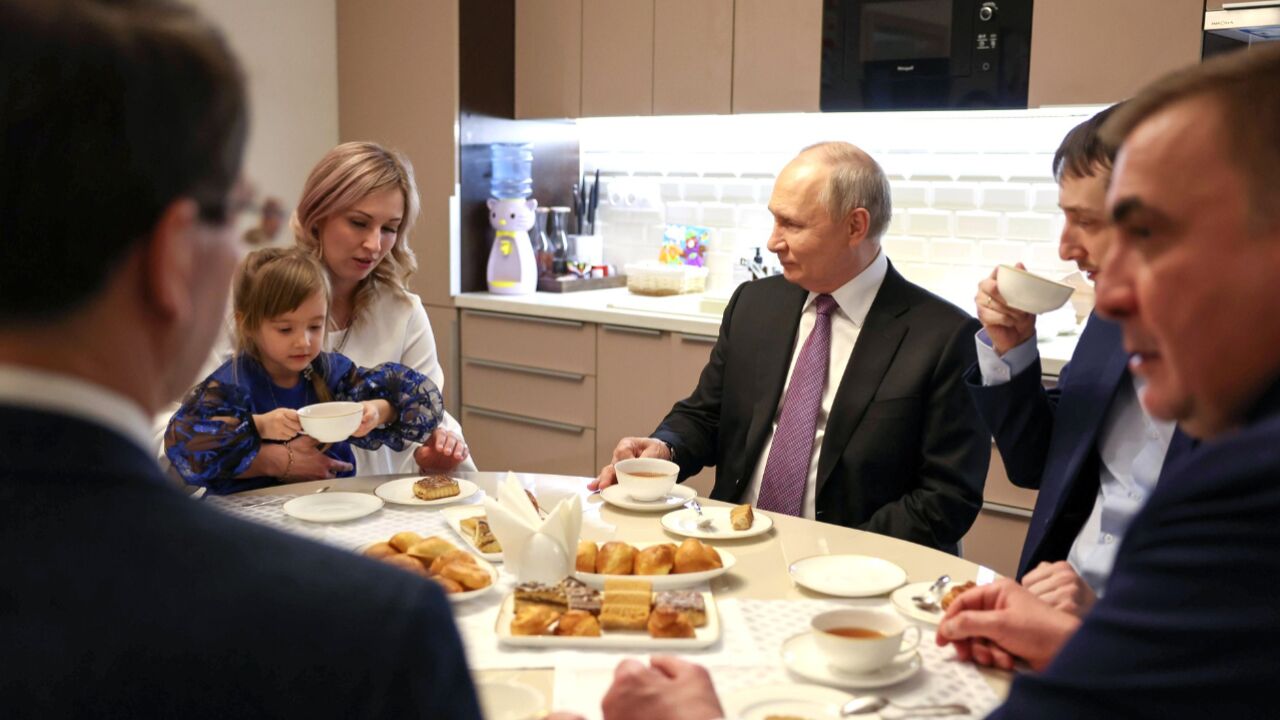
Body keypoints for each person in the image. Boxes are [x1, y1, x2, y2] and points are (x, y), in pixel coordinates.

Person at [0, 1, 480, 716]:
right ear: (173, 256)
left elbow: (422, 411)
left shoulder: (397, 321)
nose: (375, 242)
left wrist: (418, 431)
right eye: (233, 213)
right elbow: (181, 444)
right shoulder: (378, 632)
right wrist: (261, 448)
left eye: (390, 227)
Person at [936, 43, 1280, 716]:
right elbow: (1042, 462)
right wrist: (1012, 354)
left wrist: (1094, 631)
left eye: (1147, 235)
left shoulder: (1252, 480)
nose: (1114, 294)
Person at [593, 142, 989, 553]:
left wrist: (831, 551)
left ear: (855, 227)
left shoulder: (945, 337)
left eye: (792, 225)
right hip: (732, 545)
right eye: (774, 221)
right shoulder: (754, 304)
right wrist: (665, 447)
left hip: (859, 569)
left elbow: (947, 498)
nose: (772, 242)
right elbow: (708, 413)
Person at [966, 105, 1194, 615]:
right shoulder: (1111, 320)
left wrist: (1103, 613)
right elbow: (1038, 464)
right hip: (1055, 616)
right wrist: (1012, 347)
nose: (1066, 248)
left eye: (1085, 221)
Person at [184, 141, 473, 479]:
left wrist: (432, 458)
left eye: (389, 228)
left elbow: (427, 419)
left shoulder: (403, 312)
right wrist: (274, 459)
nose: (374, 245)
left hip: (370, 510)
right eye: (359, 223)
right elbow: (181, 435)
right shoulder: (250, 297)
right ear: (316, 217)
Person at [165, 248, 443, 493]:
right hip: (251, 517)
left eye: (315, 326)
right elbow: (185, 443)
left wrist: (376, 410)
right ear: (247, 324)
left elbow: (418, 399)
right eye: (285, 329)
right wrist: (259, 425)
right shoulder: (233, 384)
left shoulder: (332, 372)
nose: (304, 342)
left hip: (333, 505)